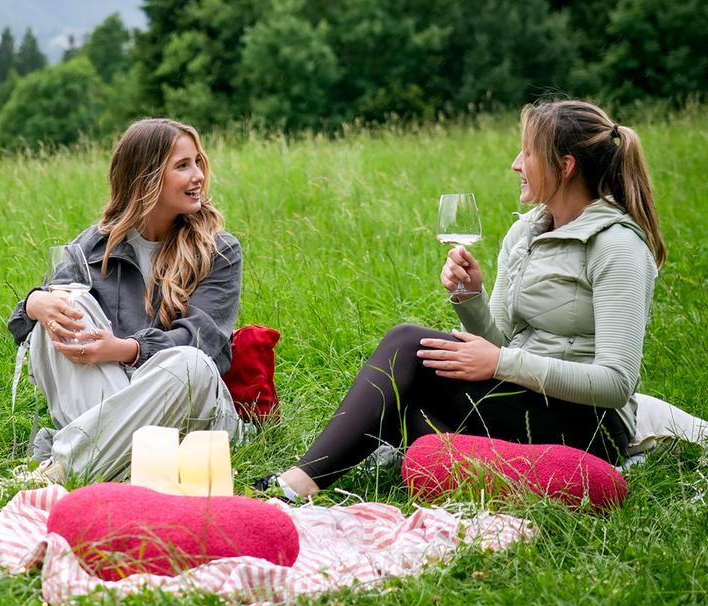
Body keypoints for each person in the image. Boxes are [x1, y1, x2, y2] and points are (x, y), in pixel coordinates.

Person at [256, 99, 665, 501]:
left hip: (589, 425)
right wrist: (470, 296)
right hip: (523, 398)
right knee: (408, 407)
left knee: (407, 343)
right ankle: (372, 468)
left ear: (565, 166)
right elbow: (501, 339)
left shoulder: (617, 246)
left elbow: (615, 382)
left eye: (526, 152)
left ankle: (299, 483)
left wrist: (500, 364)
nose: (515, 164)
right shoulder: (526, 232)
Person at [8, 118, 244, 482]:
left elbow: (204, 338)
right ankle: (116, 466)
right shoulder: (93, 245)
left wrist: (126, 350)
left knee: (190, 363)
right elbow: (26, 325)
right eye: (182, 166)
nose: (198, 175)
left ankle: (64, 470)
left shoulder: (219, 250)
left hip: (190, 416)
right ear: (145, 177)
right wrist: (35, 303)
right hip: (107, 399)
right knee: (60, 310)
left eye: (198, 162)